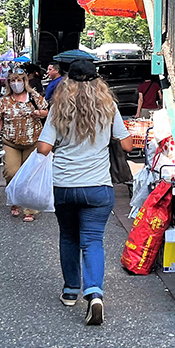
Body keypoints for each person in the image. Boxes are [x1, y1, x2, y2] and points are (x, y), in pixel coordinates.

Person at [36, 59, 130, 325]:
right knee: (92, 241)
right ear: (97, 80)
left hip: (65, 185)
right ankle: (95, 294)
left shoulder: (59, 108)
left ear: (68, 81)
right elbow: (126, 144)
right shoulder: (108, 107)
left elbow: (44, 149)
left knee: (68, 236)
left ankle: (69, 291)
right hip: (98, 186)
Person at [0, 68, 49, 221]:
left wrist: (39, 113)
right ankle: (15, 200)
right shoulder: (4, 100)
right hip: (11, 142)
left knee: (30, 175)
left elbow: (47, 111)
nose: (16, 83)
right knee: (11, 172)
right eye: (13, 81)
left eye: (19, 80)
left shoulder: (34, 97)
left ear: (25, 81)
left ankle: (29, 209)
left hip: (33, 142)